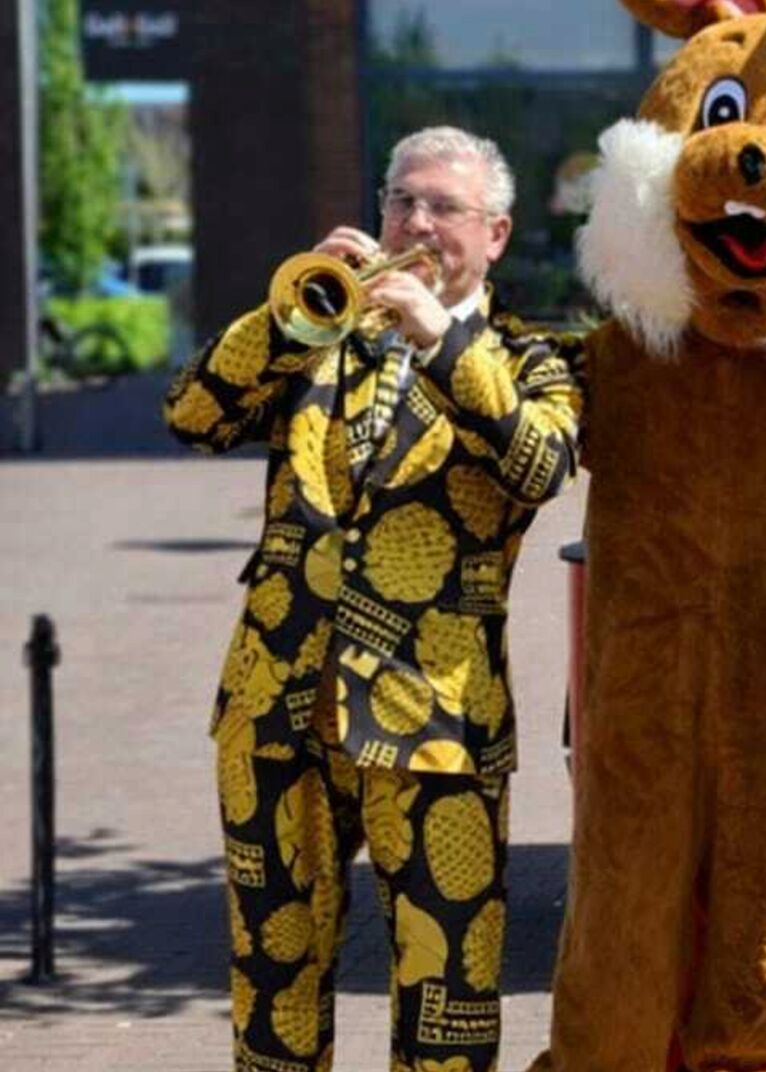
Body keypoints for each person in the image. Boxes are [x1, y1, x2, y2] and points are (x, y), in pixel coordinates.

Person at [162, 126, 582, 1072]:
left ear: (496, 233)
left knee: (447, 1006)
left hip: (437, 723)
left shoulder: (533, 358)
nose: (417, 223)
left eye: (444, 207)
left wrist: (441, 341)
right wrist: (286, 315)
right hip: (277, 706)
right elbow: (192, 415)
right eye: (402, 201)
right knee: (273, 991)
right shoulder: (321, 333)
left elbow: (540, 465)